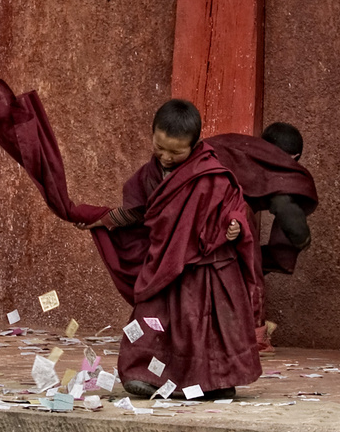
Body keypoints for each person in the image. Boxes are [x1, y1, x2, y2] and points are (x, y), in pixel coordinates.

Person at [86, 100, 262, 399]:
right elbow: (138, 211)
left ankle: (214, 384)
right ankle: (142, 375)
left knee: (204, 328)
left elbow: (234, 207)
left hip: (207, 268)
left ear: (194, 146)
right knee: (150, 320)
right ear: (153, 135)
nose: (166, 157)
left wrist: (234, 226)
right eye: (159, 148)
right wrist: (100, 220)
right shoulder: (149, 174)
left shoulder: (212, 174)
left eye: (175, 152)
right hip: (165, 265)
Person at [202, 123, 318, 352]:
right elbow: (284, 206)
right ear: (292, 158)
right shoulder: (275, 163)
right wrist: (302, 239)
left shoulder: (236, 145)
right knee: (250, 272)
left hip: (192, 205)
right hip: (232, 211)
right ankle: (255, 339)